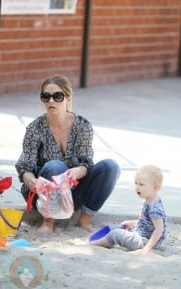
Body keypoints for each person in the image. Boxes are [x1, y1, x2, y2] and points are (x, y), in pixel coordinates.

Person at [15, 75, 120, 234]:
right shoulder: (34, 129)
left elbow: (86, 162)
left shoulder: (82, 126)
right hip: (43, 196)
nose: (51, 101)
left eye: (57, 96)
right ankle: (48, 223)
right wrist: (31, 181)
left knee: (110, 167)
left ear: (68, 97)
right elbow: (25, 167)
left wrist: (77, 172)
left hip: (72, 192)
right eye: (46, 96)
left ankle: (84, 221)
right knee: (55, 166)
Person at [90, 165, 167, 254]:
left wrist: (148, 247)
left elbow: (159, 229)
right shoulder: (150, 200)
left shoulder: (154, 208)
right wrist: (133, 223)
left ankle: (94, 243)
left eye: (141, 184)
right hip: (141, 235)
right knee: (120, 229)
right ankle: (105, 240)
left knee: (116, 234)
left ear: (155, 187)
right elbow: (148, 223)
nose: (137, 187)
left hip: (144, 240)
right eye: (136, 183)